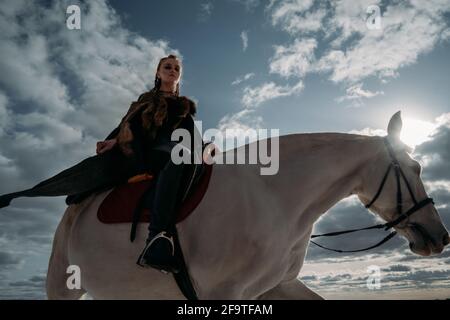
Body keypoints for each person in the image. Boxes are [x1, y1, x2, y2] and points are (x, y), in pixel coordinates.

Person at [0, 54, 201, 274]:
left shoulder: (185, 108)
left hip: (171, 151)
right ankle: (157, 238)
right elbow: (127, 126)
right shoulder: (143, 102)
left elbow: (193, 139)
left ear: (179, 75)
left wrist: (209, 148)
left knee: (186, 158)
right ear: (158, 72)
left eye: (176, 68)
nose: (172, 70)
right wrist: (114, 140)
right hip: (142, 152)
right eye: (167, 66)